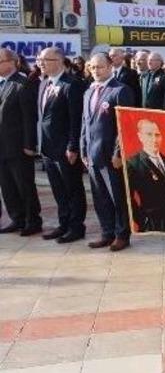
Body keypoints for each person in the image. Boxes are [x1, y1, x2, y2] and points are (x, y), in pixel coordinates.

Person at [81, 53, 135, 251]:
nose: (96, 71)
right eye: (93, 67)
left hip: (111, 157)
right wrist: (83, 150)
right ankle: (107, 232)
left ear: (111, 66)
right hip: (92, 154)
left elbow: (125, 126)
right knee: (100, 197)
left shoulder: (120, 90)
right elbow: (84, 123)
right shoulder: (88, 91)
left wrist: (119, 153)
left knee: (117, 197)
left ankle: (122, 234)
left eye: (100, 67)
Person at [35, 47, 87, 243]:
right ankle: (63, 223)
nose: (41, 63)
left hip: (65, 149)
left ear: (58, 61)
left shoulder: (72, 84)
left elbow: (76, 119)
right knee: (58, 189)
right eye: (40, 59)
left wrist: (73, 147)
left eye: (45, 59)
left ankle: (76, 227)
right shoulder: (44, 84)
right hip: (47, 148)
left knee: (72, 188)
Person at [0, 48, 42, 236]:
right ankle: (16, 218)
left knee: (24, 185)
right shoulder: (2, 84)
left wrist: (29, 144)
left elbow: (29, 118)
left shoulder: (23, 83)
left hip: (18, 146)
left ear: (11, 62)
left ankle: (32, 220)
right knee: (7, 186)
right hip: (1, 146)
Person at [126, 119, 165, 233]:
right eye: (149, 134)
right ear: (140, 136)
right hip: (153, 224)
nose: (154, 139)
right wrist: (142, 220)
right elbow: (128, 197)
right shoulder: (133, 164)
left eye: (157, 135)